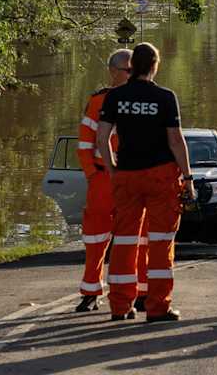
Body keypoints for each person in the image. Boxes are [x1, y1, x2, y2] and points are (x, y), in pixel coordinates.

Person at [97, 42, 195, 323]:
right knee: (161, 242)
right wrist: (187, 178)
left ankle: (120, 306)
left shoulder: (115, 97)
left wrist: (112, 168)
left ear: (132, 67)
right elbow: (176, 140)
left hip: (127, 175)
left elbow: (101, 138)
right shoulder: (165, 97)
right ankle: (158, 307)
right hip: (160, 176)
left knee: (125, 241)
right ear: (154, 66)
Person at [75, 48, 134, 313]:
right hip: (103, 178)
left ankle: (138, 293)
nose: (133, 75)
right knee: (96, 238)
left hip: (132, 177)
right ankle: (90, 292)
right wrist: (92, 175)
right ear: (113, 72)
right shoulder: (98, 101)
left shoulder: (142, 98)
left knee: (134, 240)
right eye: (128, 71)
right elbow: (84, 144)